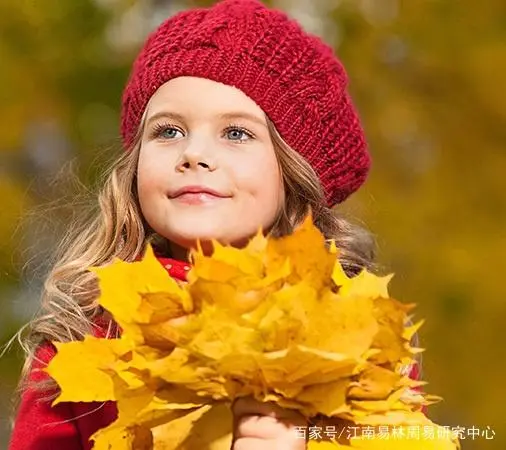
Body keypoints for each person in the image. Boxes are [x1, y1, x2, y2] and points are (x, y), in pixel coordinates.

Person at [8, 0, 421, 449]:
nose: (193, 154)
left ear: (293, 175)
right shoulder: (86, 337)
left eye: (236, 133)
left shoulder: (353, 337)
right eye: (168, 131)